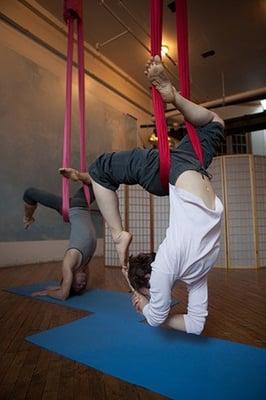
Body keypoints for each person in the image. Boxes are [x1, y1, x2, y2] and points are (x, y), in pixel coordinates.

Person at [60, 55, 224, 334]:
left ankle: (117, 232)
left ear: (150, 277)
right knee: (215, 124)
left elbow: (179, 323)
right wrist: (146, 302)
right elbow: (166, 320)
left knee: (216, 124)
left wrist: (146, 304)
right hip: (183, 165)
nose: (160, 294)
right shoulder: (169, 267)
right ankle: (173, 97)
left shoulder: (196, 272)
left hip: (186, 171)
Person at [23, 185, 97, 300]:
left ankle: (28, 218)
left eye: (78, 285)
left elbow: (63, 295)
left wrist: (49, 292)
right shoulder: (84, 265)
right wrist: (60, 286)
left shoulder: (70, 261)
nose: (83, 284)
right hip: (82, 204)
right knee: (99, 180)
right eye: (82, 286)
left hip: (69, 208)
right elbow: (73, 284)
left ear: (70, 279)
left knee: (29, 193)